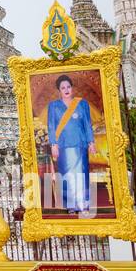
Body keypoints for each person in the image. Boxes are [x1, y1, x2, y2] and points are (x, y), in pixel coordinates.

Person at [45, 75, 98, 214]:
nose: (66, 90)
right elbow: (51, 126)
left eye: (68, 87)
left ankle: (83, 205)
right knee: (67, 176)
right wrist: (53, 144)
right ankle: (70, 206)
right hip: (63, 146)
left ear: (72, 88)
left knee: (81, 175)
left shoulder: (82, 104)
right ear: (59, 90)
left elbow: (87, 124)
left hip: (80, 144)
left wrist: (91, 142)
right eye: (63, 88)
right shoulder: (54, 106)